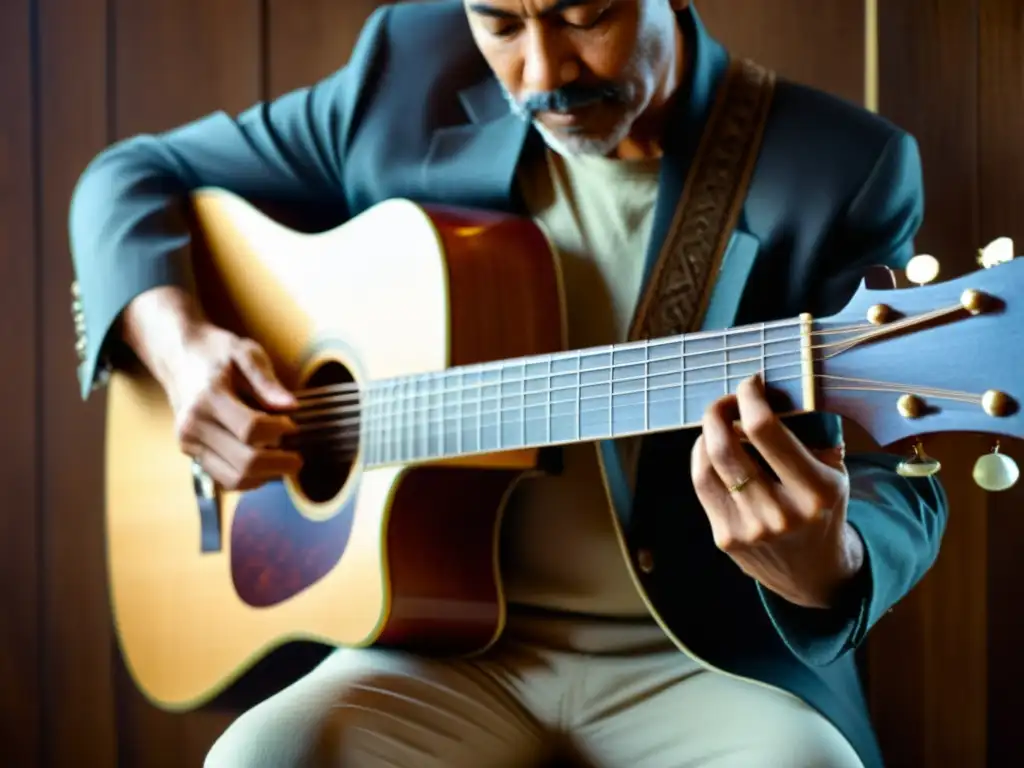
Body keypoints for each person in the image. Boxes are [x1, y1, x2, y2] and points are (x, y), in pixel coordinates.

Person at [67, 1, 948, 766]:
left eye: (585, 16)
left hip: (706, 655)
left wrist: (831, 559)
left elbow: (901, 474)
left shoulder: (838, 166)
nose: (541, 74)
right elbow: (126, 178)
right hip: (435, 646)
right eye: (498, 22)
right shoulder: (404, 71)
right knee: (258, 759)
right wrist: (179, 349)